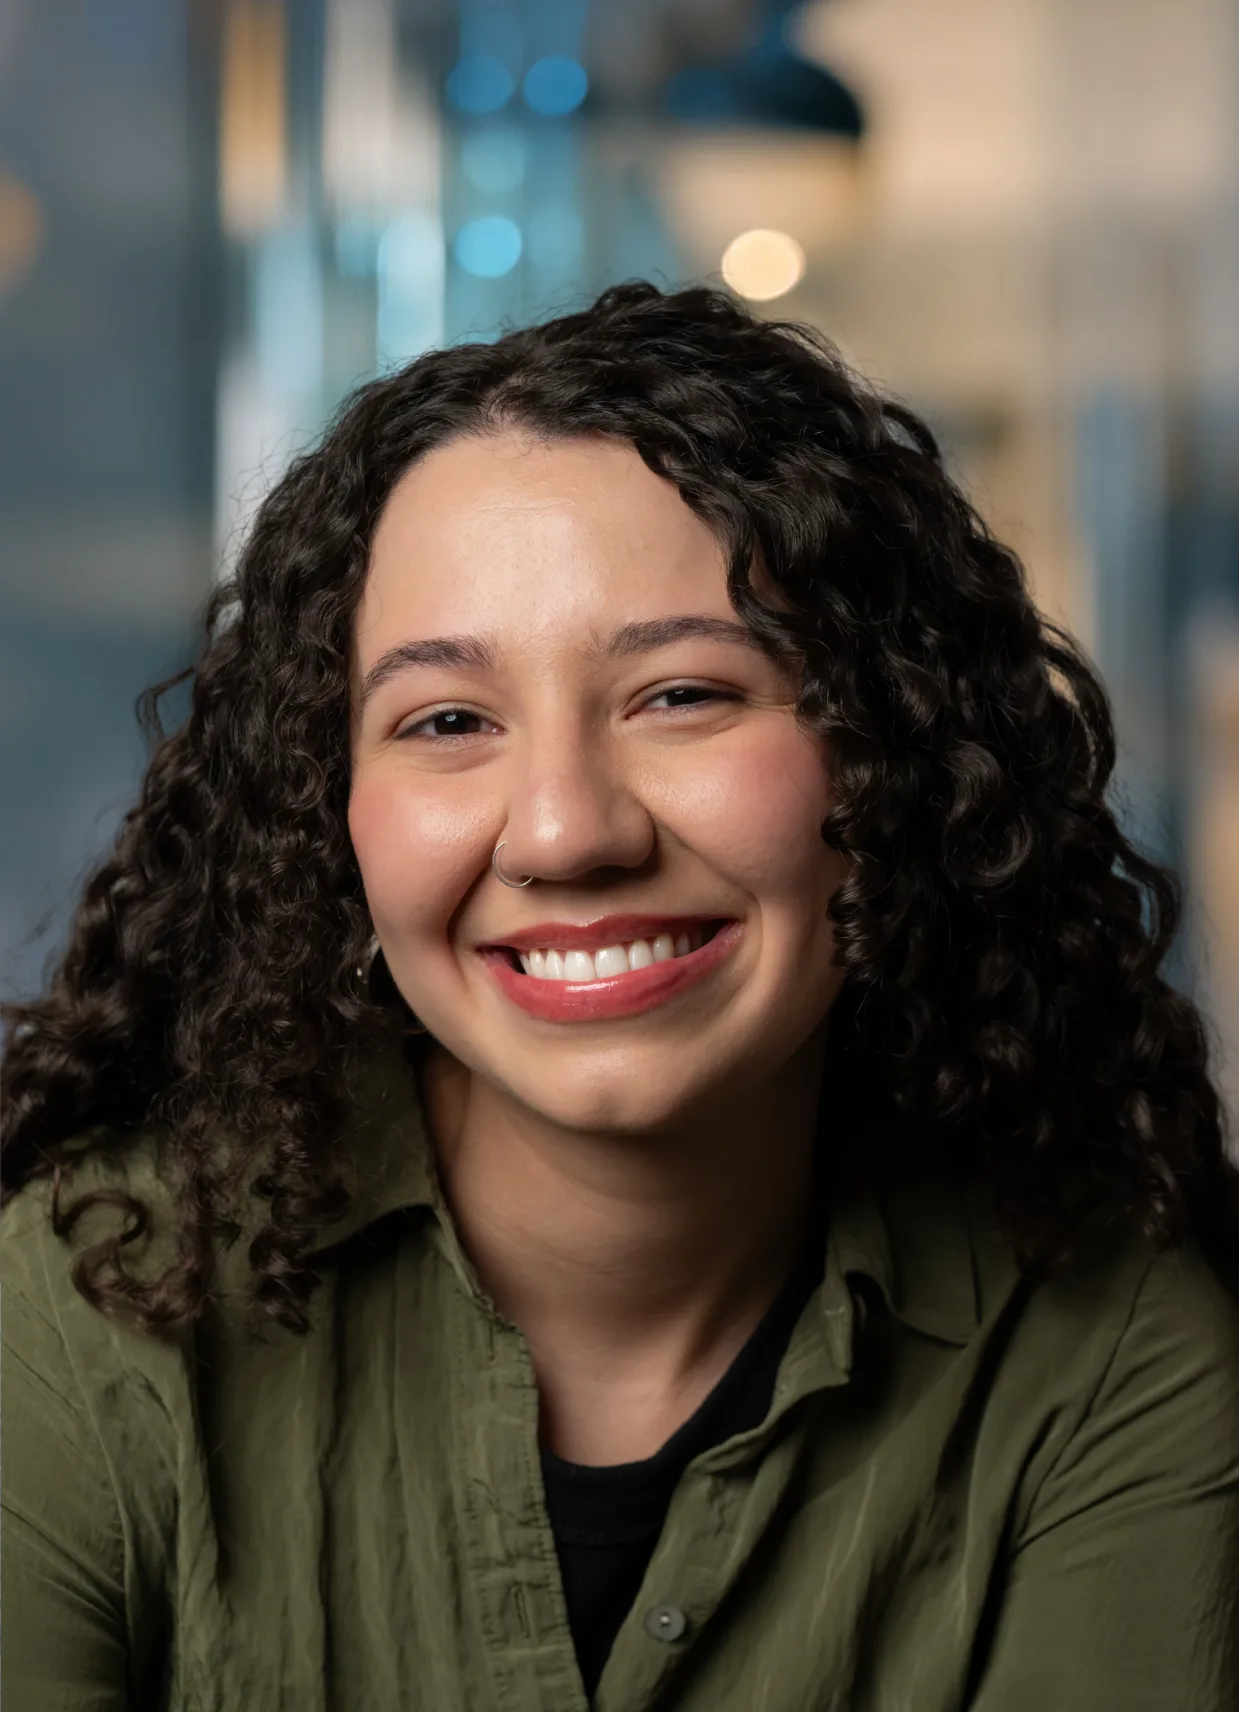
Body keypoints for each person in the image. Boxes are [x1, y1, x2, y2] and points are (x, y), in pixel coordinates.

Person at [3, 281, 1238, 1712]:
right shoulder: (87, 1312)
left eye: (682, 695)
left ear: (893, 756)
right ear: (327, 821)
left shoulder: (1114, 1358)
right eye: (446, 721)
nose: (563, 832)